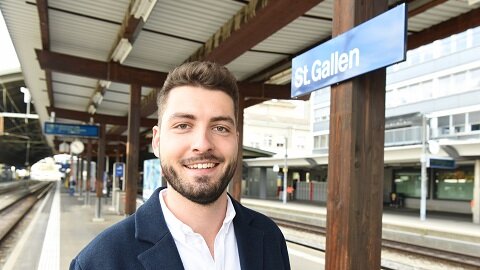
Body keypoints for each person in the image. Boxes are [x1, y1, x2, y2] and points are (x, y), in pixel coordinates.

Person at [70, 61, 290, 270]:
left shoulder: (269, 237)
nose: (202, 144)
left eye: (220, 128)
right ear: (157, 141)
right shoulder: (100, 261)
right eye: (183, 125)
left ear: (236, 139)